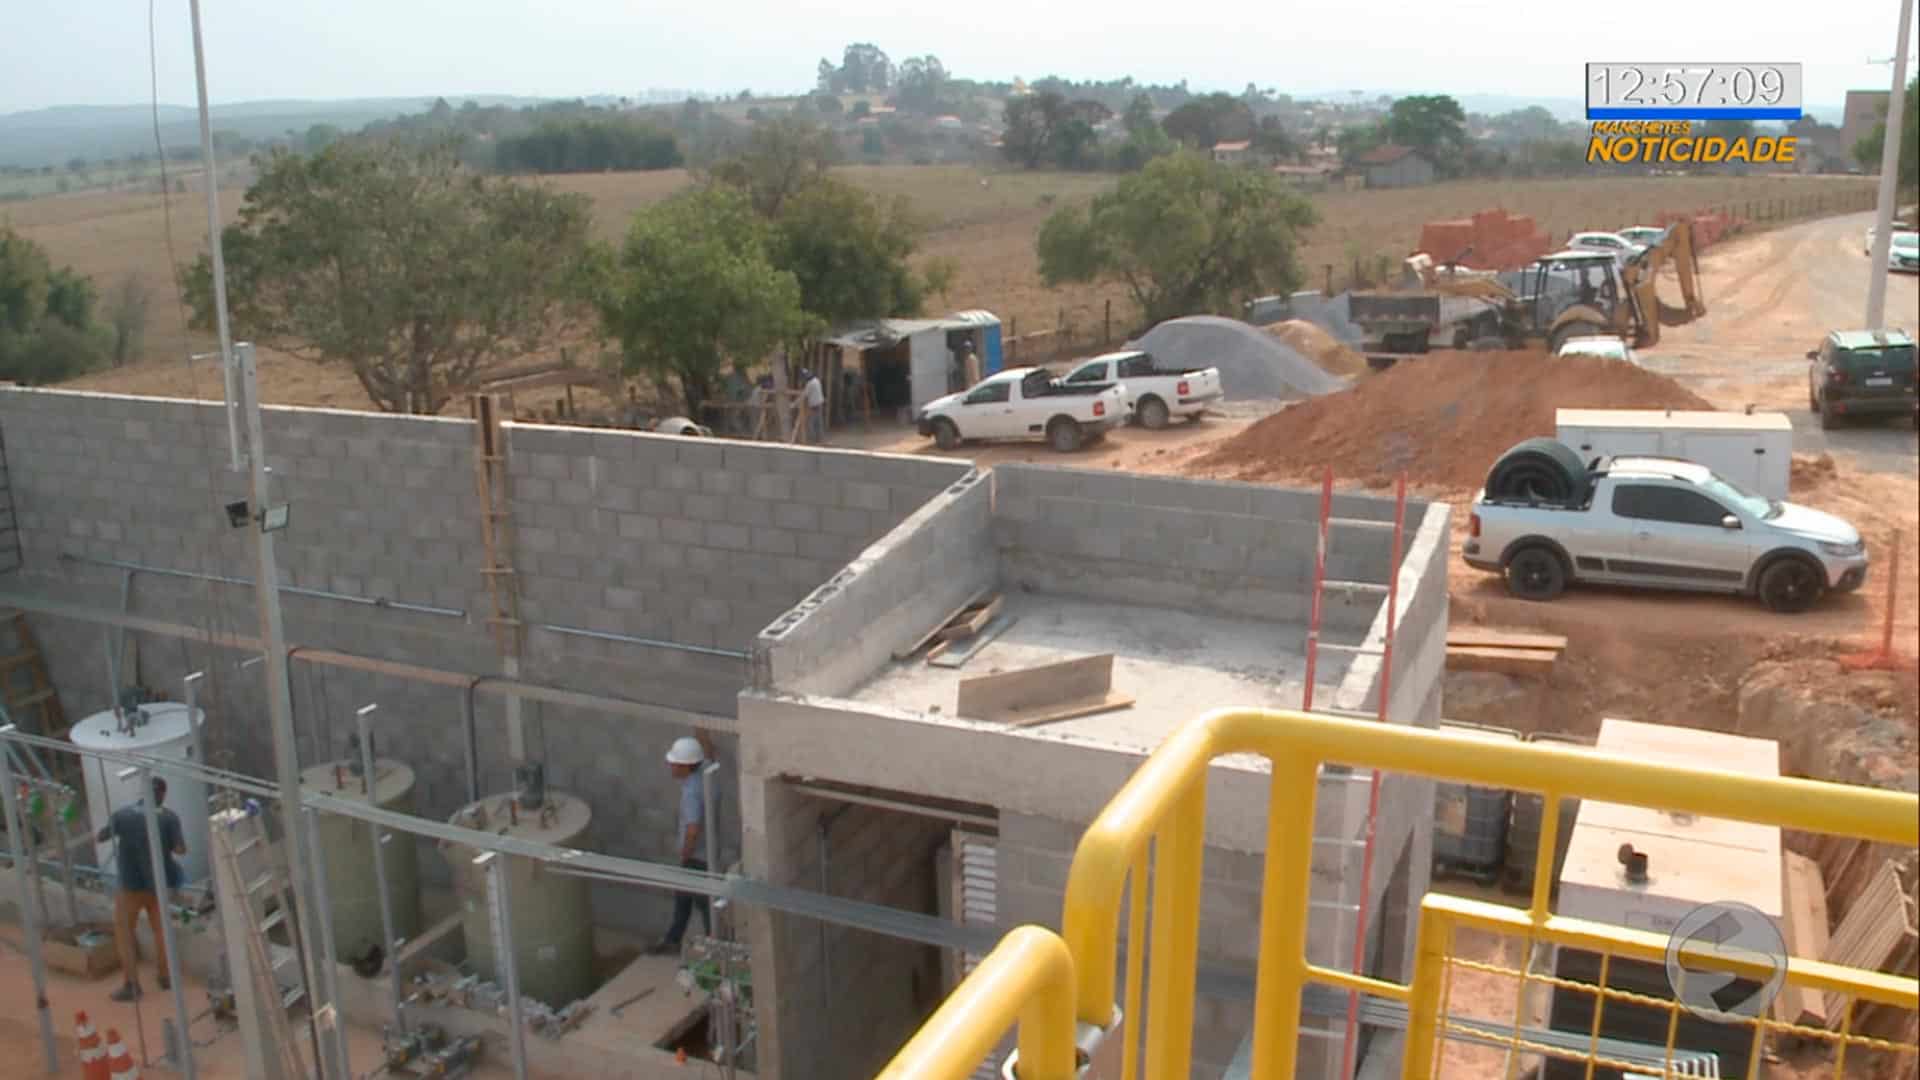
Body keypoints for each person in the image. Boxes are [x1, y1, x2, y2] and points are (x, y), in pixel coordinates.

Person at [97, 776, 186, 1001]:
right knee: (162, 931)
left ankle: (131, 984)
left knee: (125, 933)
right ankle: (166, 977)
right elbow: (180, 849)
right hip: (159, 885)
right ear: (163, 794)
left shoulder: (123, 815)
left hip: (130, 885)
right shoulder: (169, 818)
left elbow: (102, 836)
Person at [648, 735, 714, 954]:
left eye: (674, 763)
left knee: (704, 905)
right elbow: (708, 753)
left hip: (697, 858)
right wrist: (703, 733)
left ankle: (716, 948)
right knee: (684, 898)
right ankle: (673, 939)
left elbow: (693, 829)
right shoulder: (707, 771)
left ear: (686, 766)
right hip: (709, 852)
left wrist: (685, 854)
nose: (670, 765)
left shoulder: (691, 793)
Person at [801, 368, 826, 444]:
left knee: (811, 423)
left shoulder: (810, 384)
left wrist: (793, 404)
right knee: (819, 422)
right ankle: (820, 439)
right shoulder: (816, 380)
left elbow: (804, 395)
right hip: (819, 403)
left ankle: (813, 440)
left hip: (814, 405)